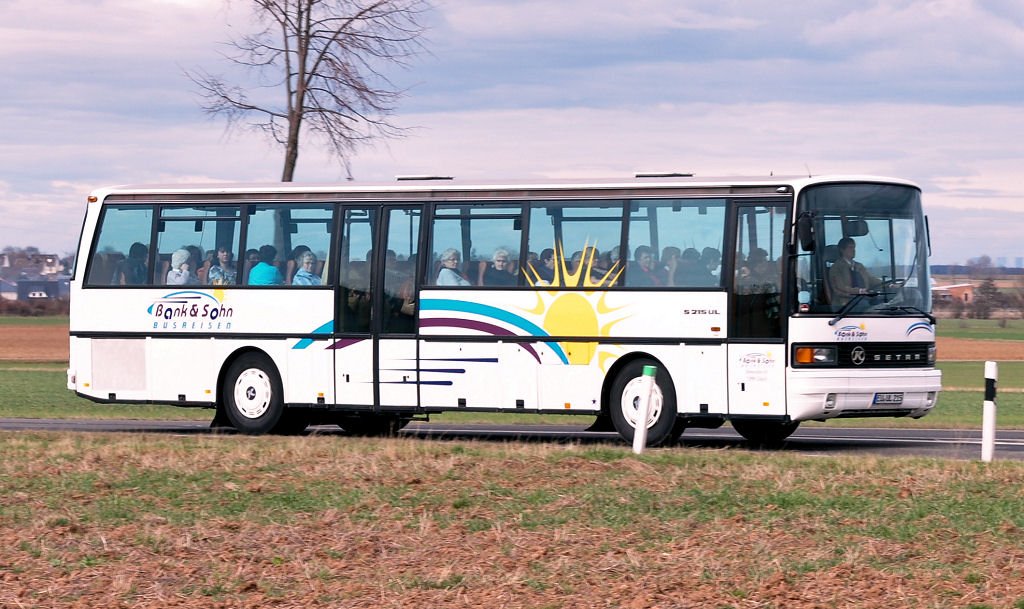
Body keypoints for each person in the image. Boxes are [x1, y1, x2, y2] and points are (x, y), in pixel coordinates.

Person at [828, 237, 879, 306]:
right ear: (842, 250)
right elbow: (840, 287)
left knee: (881, 301)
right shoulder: (836, 268)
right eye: (850, 248)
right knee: (865, 305)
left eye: (854, 247)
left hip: (863, 298)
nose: (853, 250)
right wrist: (859, 291)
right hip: (845, 303)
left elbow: (871, 279)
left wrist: (889, 285)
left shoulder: (859, 266)